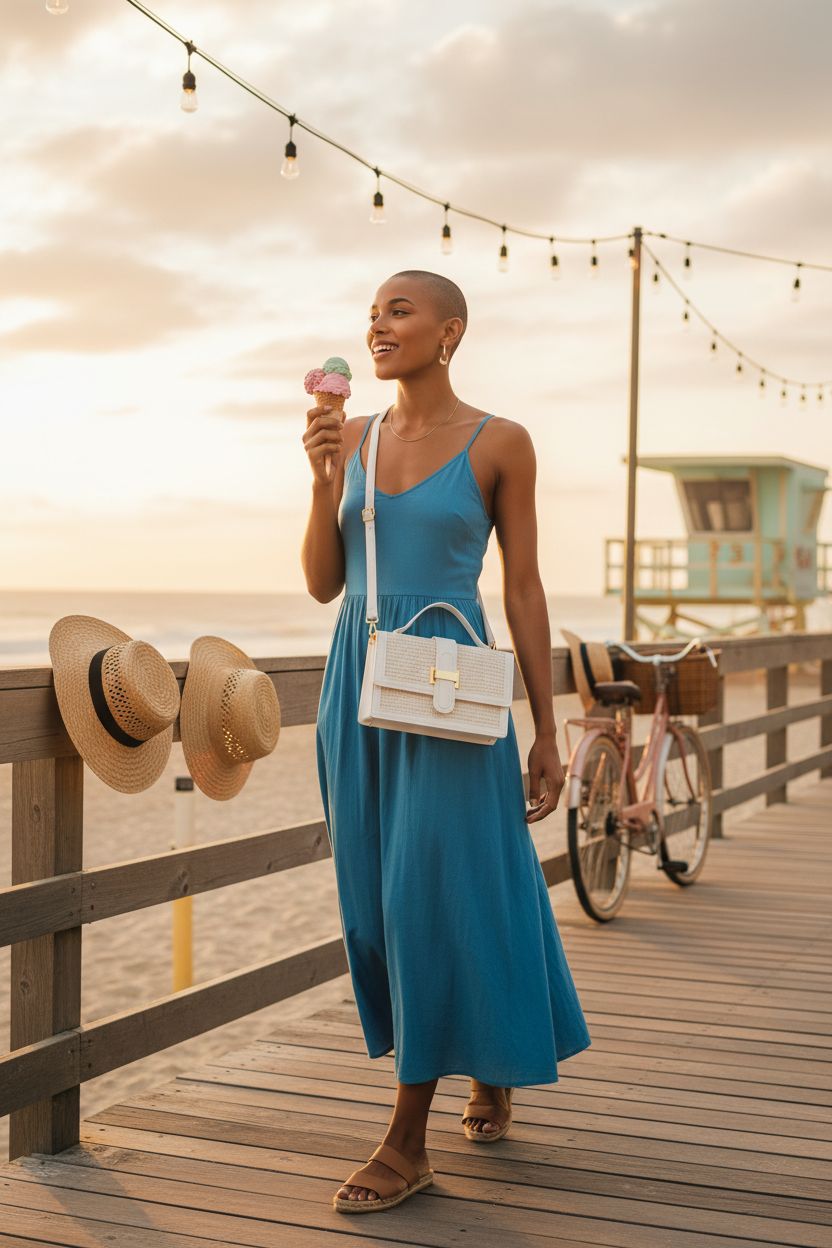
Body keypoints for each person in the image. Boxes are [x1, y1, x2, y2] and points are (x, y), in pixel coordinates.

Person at [301, 269, 591, 1213]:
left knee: (432, 891)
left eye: (399, 310)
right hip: (358, 677)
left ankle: (405, 1140)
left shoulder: (501, 442)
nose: (378, 325)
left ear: (450, 330)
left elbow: (524, 589)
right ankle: (493, 1055)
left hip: (450, 680)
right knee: (373, 904)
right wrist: (320, 481)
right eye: (373, 311)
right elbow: (321, 581)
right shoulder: (351, 436)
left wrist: (548, 727)